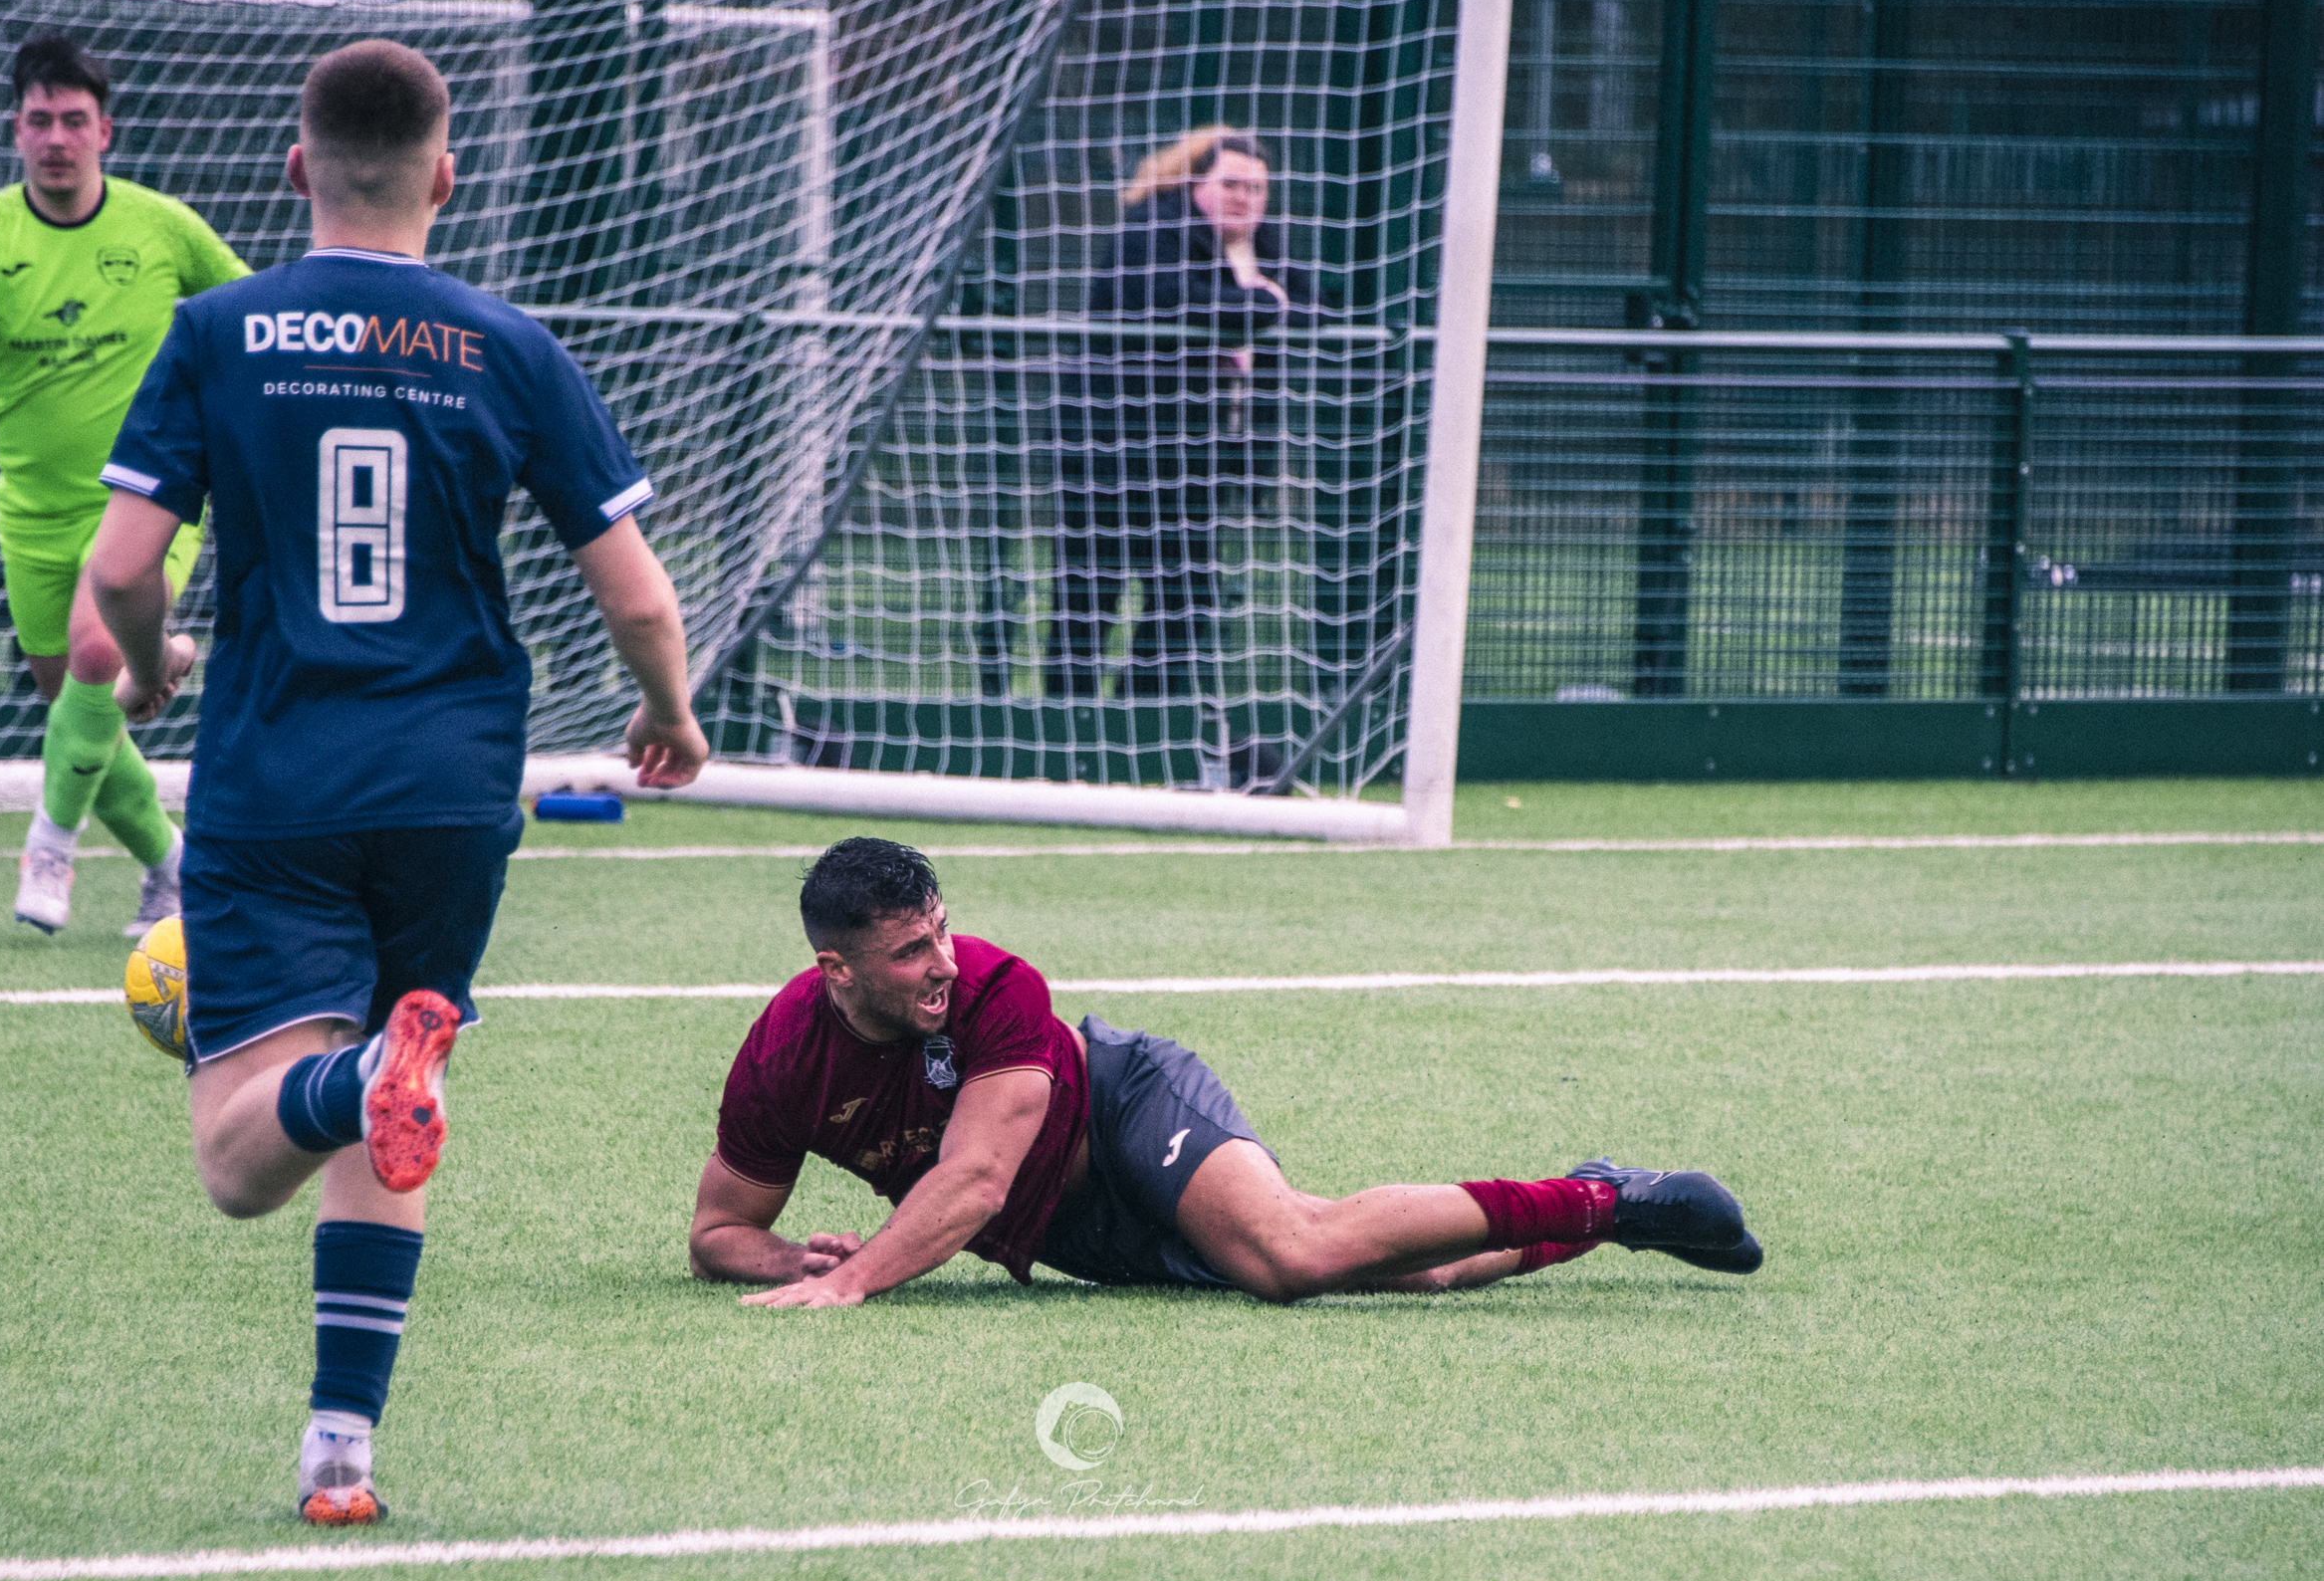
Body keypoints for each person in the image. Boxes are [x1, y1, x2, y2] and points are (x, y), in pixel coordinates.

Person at [84, 39, 710, 1525]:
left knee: (246, 1158)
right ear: (446, 173)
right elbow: (638, 600)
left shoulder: (219, 329)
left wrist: (154, 655)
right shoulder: (508, 345)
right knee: (402, 1079)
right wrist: (667, 713)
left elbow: (114, 571)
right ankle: (341, 1446)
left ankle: (354, 1075)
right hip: (452, 787)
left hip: (279, 776)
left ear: (297, 168)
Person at [690, 838, 1761, 1309]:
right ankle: (1600, 1211)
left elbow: (975, 1180)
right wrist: (784, 1255)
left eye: (942, 932)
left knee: (1289, 1252)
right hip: (1070, 1233)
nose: (942, 965)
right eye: (910, 952)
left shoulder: (999, 988)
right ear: (836, 968)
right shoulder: (782, 1056)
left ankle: (1607, 1196)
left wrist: (853, 1277)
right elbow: (716, 1231)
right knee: (1407, 1272)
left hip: (1116, 1107)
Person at [0, 29, 250, 937]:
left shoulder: (160, 225)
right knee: (84, 708)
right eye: (38, 121)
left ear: (107, 131)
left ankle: (48, 846)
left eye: (74, 120)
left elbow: (248, 304)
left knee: (96, 661)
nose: (56, 137)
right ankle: (174, 866)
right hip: (32, 514)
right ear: (15, 132)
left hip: (152, 496)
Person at [1047, 127, 1322, 707]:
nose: (1244, 197)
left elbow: (1313, 302)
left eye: (1256, 188)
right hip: (1114, 443)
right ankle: (1064, 722)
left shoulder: (1265, 245)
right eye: (1230, 184)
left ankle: (1136, 716)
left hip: (1198, 455)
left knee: (1189, 595)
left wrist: (1269, 307)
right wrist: (1261, 305)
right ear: (1196, 184)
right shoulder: (1153, 229)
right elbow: (1177, 297)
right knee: (1091, 588)